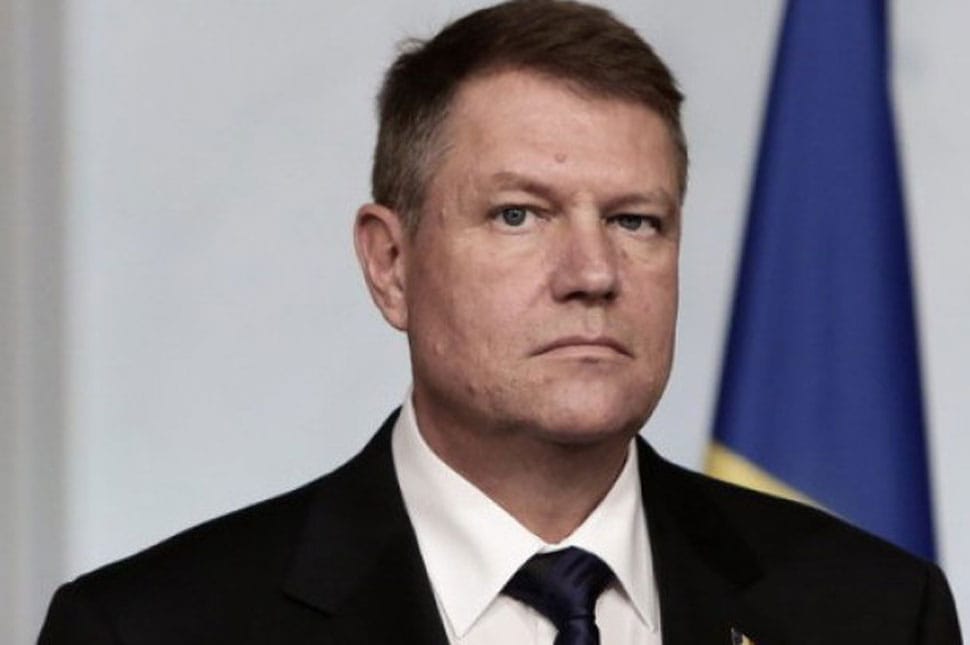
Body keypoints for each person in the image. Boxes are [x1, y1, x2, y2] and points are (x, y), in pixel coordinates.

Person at [39, 1, 961, 643]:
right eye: (519, 214)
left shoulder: (876, 613)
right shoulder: (152, 628)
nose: (593, 273)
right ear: (390, 264)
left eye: (635, 221)